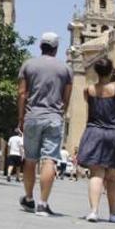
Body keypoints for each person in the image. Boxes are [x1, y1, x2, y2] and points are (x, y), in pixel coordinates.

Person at [17, 32, 73, 216]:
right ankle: (43, 203)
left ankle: (29, 198)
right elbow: (66, 98)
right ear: (56, 48)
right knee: (50, 159)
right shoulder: (65, 69)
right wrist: (59, 113)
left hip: (32, 116)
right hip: (54, 118)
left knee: (31, 160)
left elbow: (22, 94)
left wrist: (21, 118)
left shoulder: (28, 64)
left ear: (41, 46)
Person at [76, 57, 115, 224]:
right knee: (114, 176)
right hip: (114, 135)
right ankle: (113, 214)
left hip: (94, 132)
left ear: (96, 72)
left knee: (96, 173)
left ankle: (94, 211)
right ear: (111, 71)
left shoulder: (87, 90)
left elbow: (93, 103)